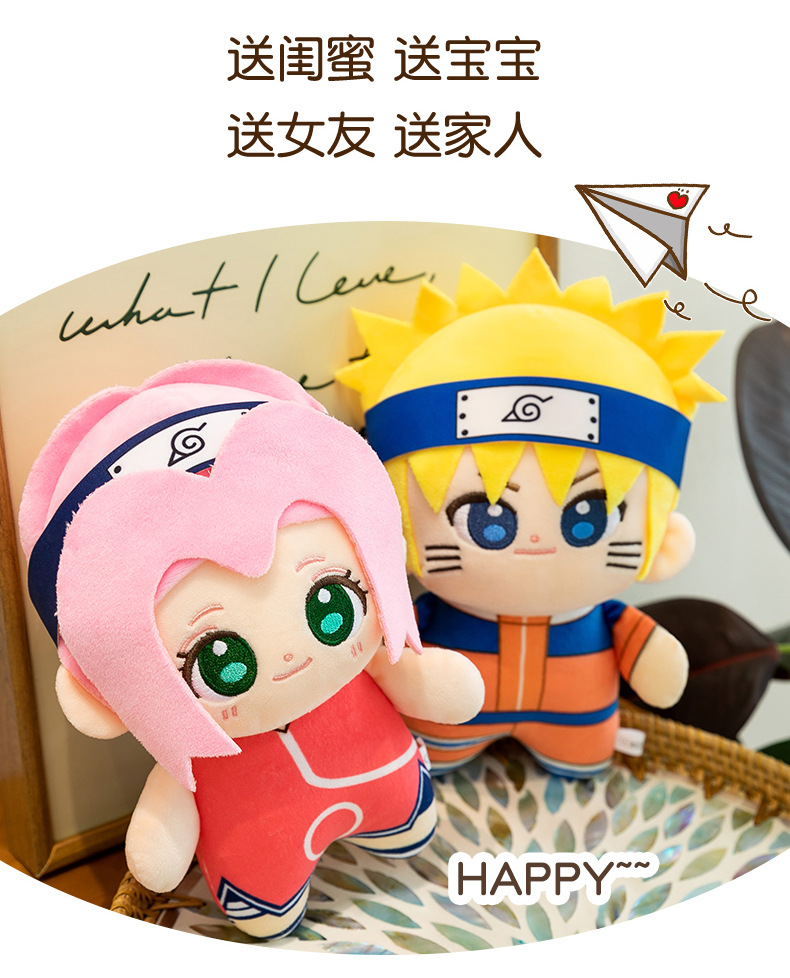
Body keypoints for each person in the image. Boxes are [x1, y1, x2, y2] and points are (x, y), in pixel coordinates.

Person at [19, 360, 483, 938]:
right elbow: (164, 831)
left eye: (332, 606)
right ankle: (272, 897)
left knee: (405, 821)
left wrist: (429, 678)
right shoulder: (189, 745)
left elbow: (429, 683)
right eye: (221, 664)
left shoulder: (366, 660)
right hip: (260, 846)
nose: (292, 661)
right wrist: (160, 838)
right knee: (265, 905)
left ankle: (397, 823)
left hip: (390, 785)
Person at [337, 249, 724, 778]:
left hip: (578, 720)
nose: (535, 545)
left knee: (582, 749)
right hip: (451, 722)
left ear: (665, 541)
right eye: (486, 520)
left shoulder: (607, 616)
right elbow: (391, 659)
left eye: (586, 517)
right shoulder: (428, 610)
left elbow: (657, 669)